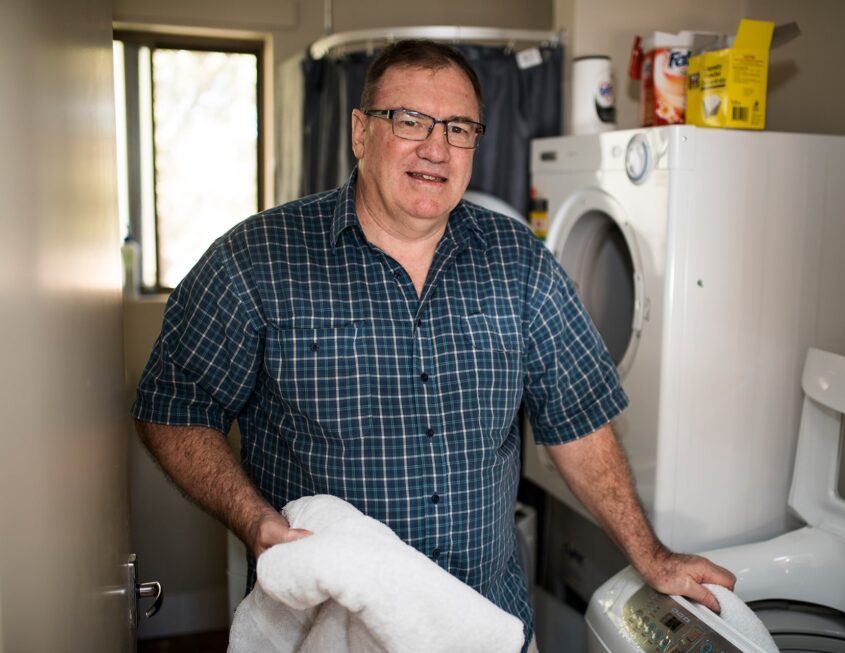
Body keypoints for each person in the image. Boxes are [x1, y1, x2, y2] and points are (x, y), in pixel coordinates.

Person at [132, 39, 735, 651]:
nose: (436, 148)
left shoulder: (520, 262)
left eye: (459, 128)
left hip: (485, 627)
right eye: (410, 121)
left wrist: (651, 556)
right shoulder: (257, 259)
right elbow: (174, 409)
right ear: (361, 132)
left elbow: (578, 422)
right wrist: (253, 518)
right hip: (328, 632)